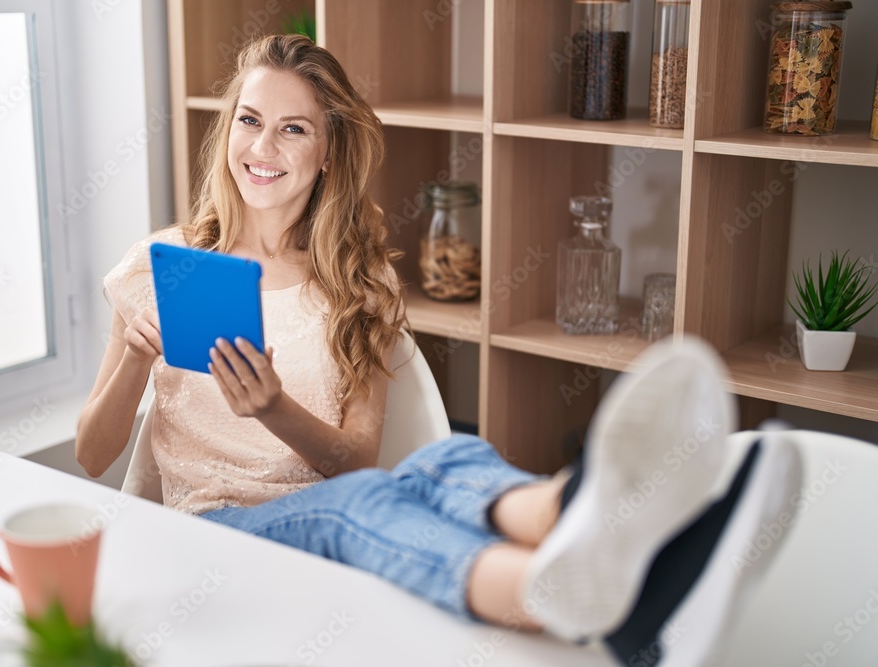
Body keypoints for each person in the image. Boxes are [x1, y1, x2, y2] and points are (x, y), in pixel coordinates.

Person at [76, 34, 803, 665]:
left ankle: (595, 515)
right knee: (357, 503)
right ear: (228, 127)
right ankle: (576, 600)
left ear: (328, 152)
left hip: (331, 500)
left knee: (445, 454)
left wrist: (273, 408)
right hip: (214, 537)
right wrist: (136, 360)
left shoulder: (359, 287)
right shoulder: (163, 263)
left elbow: (356, 457)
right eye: (249, 120)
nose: (262, 149)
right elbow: (90, 453)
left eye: (293, 129)